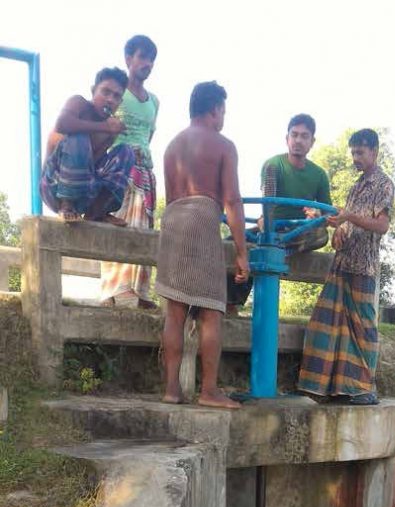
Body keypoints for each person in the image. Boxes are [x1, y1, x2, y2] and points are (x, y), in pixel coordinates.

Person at [156, 81, 249, 408]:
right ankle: (209, 391)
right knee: (210, 311)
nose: (224, 116)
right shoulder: (223, 145)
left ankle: (171, 389)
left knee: (175, 310)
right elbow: (232, 202)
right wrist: (241, 251)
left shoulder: (172, 146)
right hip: (201, 218)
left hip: (172, 220)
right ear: (214, 110)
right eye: (223, 110)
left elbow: (171, 197)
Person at [297, 129, 394, 406]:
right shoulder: (356, 186)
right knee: (326, 325)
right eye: (353, 153)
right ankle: (323, 387)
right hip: (341, 264)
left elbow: (382, 225)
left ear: (374, 151)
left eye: (360, 153)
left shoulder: (383, 184)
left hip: (363, 267)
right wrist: (337, 225)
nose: (356, 158)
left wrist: (349, 217)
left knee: (362, 329)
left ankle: (362, 388)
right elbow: (348, 221)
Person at [227, 113, 331, 312]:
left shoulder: (318, 175)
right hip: (272, 229)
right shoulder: (274, 166)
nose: (298, 140)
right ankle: (230, 303)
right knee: (231, 241)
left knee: (321, 235)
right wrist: (264, 222)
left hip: (298, 232)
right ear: (287, 138)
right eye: (295, 135)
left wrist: (316, 217)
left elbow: (328, 216)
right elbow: (269, 204)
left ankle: (280, 251)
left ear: (312, 142)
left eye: (304, 136)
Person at [101, 35, 160, 308]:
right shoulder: (115, 93)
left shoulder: (154, 102)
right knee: (122, 223)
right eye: (142, 57)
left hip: (145, 172)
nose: (146, 63)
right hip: (119, 170)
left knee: (144, 226)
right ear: (128, 59)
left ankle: (139, 293)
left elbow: (148, 136)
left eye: (151, 59)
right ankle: (116, 291)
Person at [40, 68, 134, 224]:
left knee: (126, 152)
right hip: (54, 187)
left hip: (83, 189)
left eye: (116, 96)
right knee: (79, 137)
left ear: (120, 102)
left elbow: (92, 165)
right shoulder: (79, 104)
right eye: (105, 92)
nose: (110, 99)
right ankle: (67, 205)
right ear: (93, 91)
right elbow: (62, 124)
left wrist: (108, 130)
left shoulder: (111, 129)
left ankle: (96, 212)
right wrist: (104, 127)